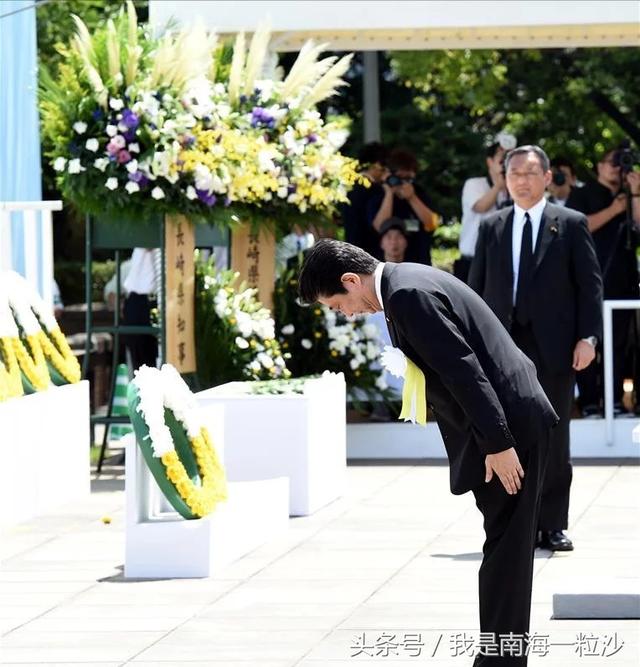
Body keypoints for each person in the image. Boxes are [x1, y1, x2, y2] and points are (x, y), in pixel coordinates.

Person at [298, 239, 559, 666]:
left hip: (510, 431)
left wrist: (499, 444)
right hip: (509, 424)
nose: (345, 314)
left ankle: (500, 661)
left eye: (337, 304)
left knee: (506, 554)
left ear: (350, 280)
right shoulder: (407, 282)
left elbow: (464, 371)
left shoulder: (406, 295)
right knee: (505, 551)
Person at [469, 145, 603, 553]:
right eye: (514, 174)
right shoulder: (492, 226)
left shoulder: (571, 223)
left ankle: (552, 524)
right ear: (504, 179)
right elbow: (474, 289)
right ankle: (514, 524)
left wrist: (589, 338)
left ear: (546, 178)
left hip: (554, 348)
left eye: (529, 173)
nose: (521, 181)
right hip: (501, 346)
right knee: (505, 434)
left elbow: (590, 286)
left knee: (554, 436)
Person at [566, 148, 640, 417]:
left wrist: (634, 194)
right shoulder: (583, 194)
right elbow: (578, 226)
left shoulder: (629, 196)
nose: (616, 169)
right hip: (588, 281)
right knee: (587, 342)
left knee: (619, 345)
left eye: (622, 165)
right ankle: (589, 403)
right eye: (612, 163)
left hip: (623, 282)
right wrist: (614, 209)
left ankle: (616, 401)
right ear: (598, 166)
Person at [368, 148, 440, 265]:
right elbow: (379, 226)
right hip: (387, 262)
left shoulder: (420, 193)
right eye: (400, 178)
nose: (404, 183)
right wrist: (389, 194)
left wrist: (412, 198)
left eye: (408, 179)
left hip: (418, 261)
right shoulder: (379, 196)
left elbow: (432, 224)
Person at [456, 142, 511, 283]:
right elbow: (481, 206)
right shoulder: (474, 184)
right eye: (501, 160)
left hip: (503, 263)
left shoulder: (515, 190)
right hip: (472, 261)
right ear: (489, 161)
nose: (505, 164)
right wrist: (498, 186)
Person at [341, 142, 388, 259]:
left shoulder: (348, 187)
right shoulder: (376, 190)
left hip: (351, 249)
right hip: (373, 252)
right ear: (377, 164)